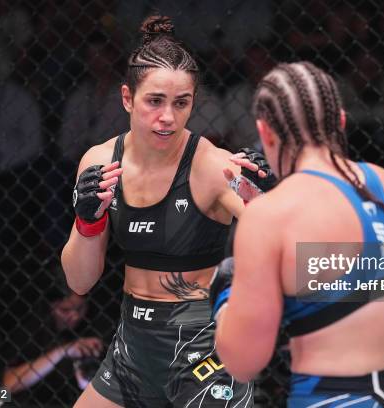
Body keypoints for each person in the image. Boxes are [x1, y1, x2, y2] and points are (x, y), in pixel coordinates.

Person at [210, 62, 384, 407]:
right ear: (341, 121)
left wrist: (226, 292)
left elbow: (242, 362)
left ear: (265, 132)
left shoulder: (270, 216)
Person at [62, 15, 262, 408]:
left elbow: (281, 231)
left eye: (181, 102)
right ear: (126, 98)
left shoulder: (213, 166)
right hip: (132, 345)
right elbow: (80, 281)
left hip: (204, 346)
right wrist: (88, 222)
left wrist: (268, 200)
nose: (167, 116)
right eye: (155, 100)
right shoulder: (100, 162)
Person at [2, 280, 103, 406]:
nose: (75, 316)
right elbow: (8, 384)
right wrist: (63, 351)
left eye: (80, 308)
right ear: (50, 307)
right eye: (65, 310)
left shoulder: (92, 324)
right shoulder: (31, 329)